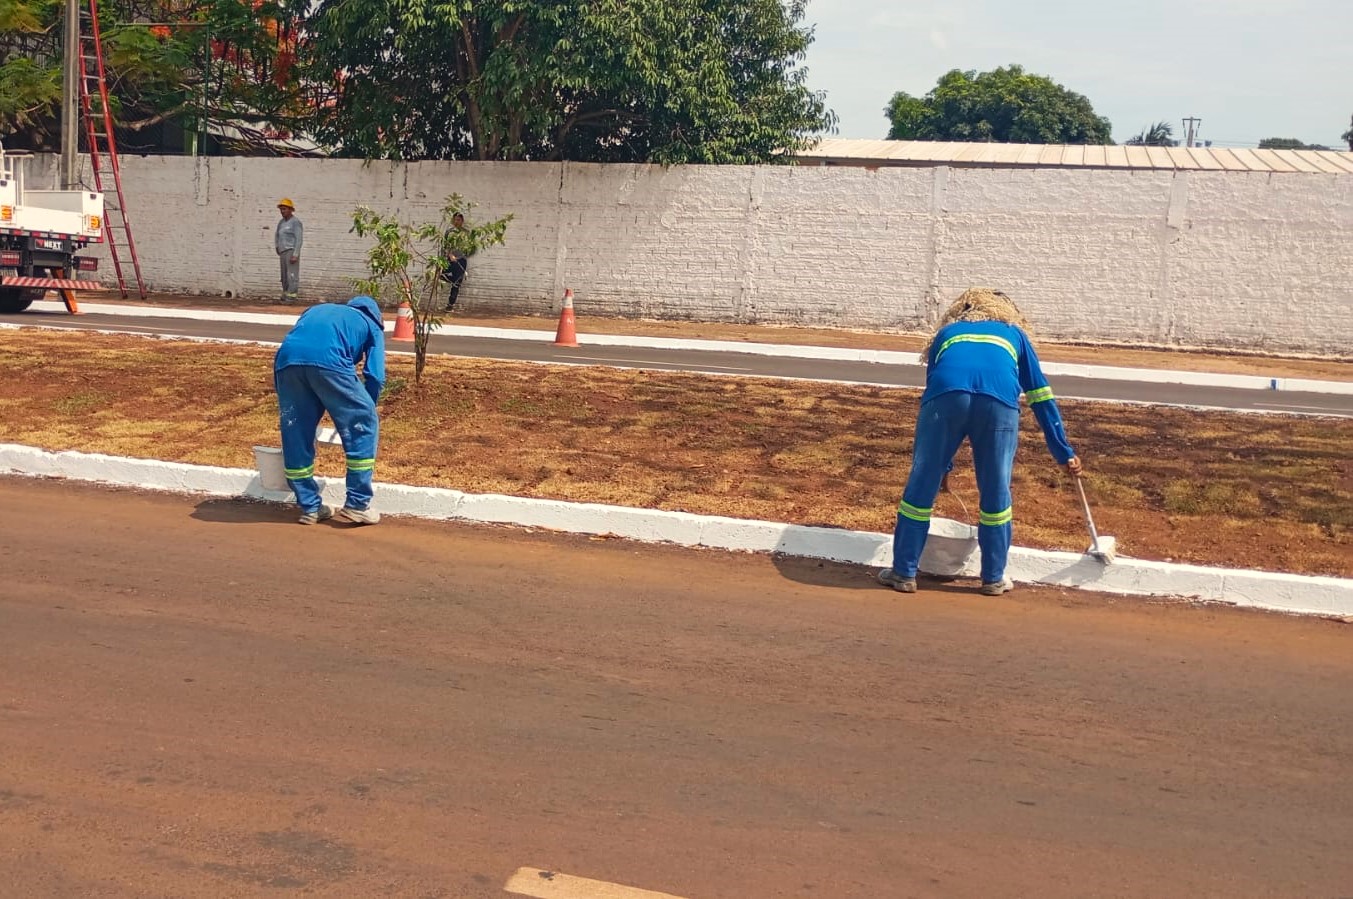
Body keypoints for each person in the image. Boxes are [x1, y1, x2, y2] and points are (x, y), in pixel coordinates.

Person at [878, 288, 1083, 596]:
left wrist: (942, 468)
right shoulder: (1015, 334)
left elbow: (935, 384)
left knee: (921, 483)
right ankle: (993, 578)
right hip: (998, 404)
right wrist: (1062, 451)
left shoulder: (947, 333)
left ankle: (904, 572)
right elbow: (1040, 395)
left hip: (945, 399)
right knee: (996, 488)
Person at [273, 296, 386, 525]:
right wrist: (366, 408)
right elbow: (375, 375)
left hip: (287, 363)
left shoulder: (316, 310)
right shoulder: (371, 324)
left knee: (296, 432)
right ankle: (357, 504)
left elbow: (300, 342)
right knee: (363, 427)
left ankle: (310, 507)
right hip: (331, 360)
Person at [440, 212, 472, 310]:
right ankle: (452, 280)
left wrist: (463, 256)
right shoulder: (449, 232)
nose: (456, 222)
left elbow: (470, 248)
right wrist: (449, 255)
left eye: (458, 220)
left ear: (462, 221)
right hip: (450, 260)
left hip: (461, 260)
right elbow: (444, 246)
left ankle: (450, 304)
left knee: (457, 283)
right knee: (441, 274)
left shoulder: (466, 233)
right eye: (455, 220)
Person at [275, 198, 303, 303]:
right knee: (284, 276)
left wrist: (295, 254)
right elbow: (277, 235)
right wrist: (277, 246)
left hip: (291, 251)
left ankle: (291, 297)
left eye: (284, 209)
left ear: (291, 210)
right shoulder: (281, 222)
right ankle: (285, 294)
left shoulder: (295, 222)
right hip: (283, 251)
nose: (282, 211)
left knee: (291, 275)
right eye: (281, 209)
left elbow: (299, 239)